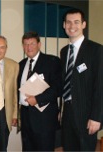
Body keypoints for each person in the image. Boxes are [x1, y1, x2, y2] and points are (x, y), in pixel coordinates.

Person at [60, 8, 103, 151]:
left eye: (76, 22)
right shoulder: (64, 51)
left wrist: (97, 117)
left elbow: (100, 86)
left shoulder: (96, 50)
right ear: (64, 25)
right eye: (69, 22)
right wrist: (61, 109)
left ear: (84, 24)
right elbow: (67, 82)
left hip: (87, 115)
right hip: (68, 113)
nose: (72, 26)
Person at [18, 31, 62, 151]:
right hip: (26, 117)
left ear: (39, 44)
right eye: (25, 44)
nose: (29, 47)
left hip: (44, 120)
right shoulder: (21, 65)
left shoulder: (52, 61)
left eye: (32, 43)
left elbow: (58, 88)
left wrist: (37, 99)